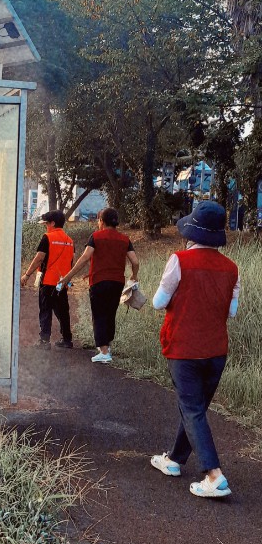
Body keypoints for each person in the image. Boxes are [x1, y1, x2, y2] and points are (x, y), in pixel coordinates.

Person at [149, 199, 240, 499]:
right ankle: (174, 460)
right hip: (216, 351)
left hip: (184, 348)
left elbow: (159, 302)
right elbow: (232, 312)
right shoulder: (231, 268)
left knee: (192, 409)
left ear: (192, 232)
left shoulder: (179, 260)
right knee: (195, 408)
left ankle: (214, 475)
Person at [59, 207, 139, 363]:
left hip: (99, 282)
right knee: (110, 314)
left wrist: (68, 277)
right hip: (117, 282)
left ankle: (103, 351)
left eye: (98, 220)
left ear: (102, 221)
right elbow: (135, 261)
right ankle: (107, 346)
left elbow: (84, 258)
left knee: (99, 315)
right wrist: (134, 276)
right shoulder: (125, 239)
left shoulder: (96, 237)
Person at [20, 210, 74, 349]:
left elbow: (39, 258)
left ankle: (44, 341)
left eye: (46, 224)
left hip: (48, 281)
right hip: (62, 283)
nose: (46, 226)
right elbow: (70, 263)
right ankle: (67, 340)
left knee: (45, 310)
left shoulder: (48, 237)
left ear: (53, 223)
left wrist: (27, 274)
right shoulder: (69, 241)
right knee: (63, 311)